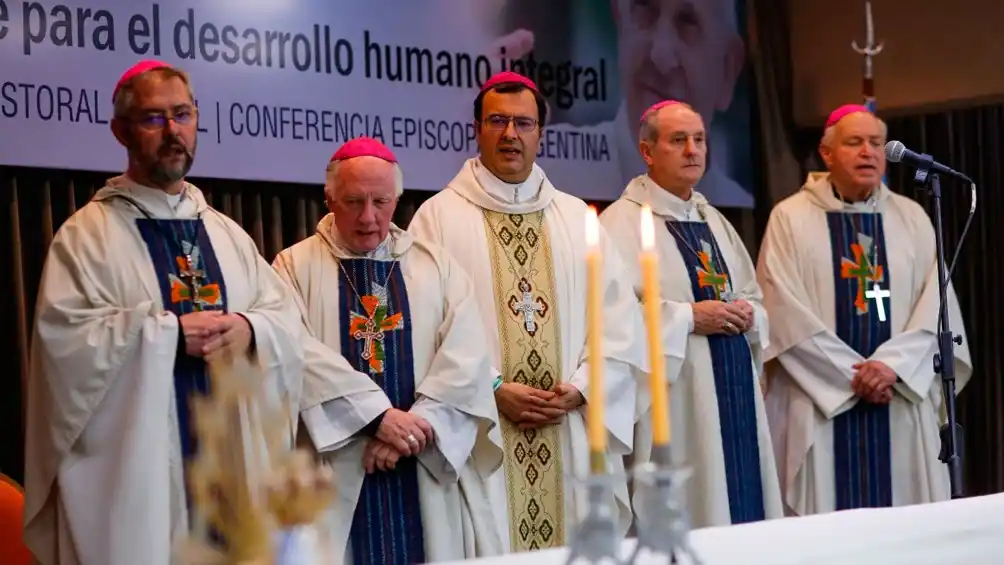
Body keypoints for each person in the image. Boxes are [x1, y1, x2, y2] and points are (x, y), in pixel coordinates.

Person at [22, 60, 304, 565]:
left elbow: (284, 317)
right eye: (154, 118)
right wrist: (168, 337)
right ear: (121, 131)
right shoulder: (87, 237)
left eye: (182, 115)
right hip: (140, 484)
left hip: (232, 476)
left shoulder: (226, 233)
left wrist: (250, 327)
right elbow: (66, 347)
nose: (173, 131)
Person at [408, 71, 647, 551]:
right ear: (477, 129)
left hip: (568, 430)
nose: (510, 134)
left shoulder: (578, 219)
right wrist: (492, 387)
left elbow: (620, 322)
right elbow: (424, 326)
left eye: (523, 123)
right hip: (485, 431)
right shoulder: (438, 218)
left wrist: (581, 389)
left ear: (541, 133)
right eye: (497, 121)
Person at [272, 137, 504, 563]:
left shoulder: (436, 265)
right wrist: (376, 418)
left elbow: (466, 357)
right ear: (329, 199)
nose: (368, 217)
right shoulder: (293, 268)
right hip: (338, 467)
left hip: (423, 462)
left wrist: (414, 430)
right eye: (353, 201)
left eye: (380, 202)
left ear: (397, 199)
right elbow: (292, 351)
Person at [757, 104, 973, 516]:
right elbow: (783, 311)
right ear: (826, 153)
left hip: (898, 396)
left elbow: (937, 306)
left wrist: (892, 366)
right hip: (821, 403)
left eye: (875, 143)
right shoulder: (790, 218)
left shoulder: (912, 217)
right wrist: (856, 376)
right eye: (854, 142)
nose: (868, 152)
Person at [599, 100, 782, 527]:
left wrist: (749, 313)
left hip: (734, 392)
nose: (692, 150)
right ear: (647, 152)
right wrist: (687, 318)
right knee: (697, 511)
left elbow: (752, 295)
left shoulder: (713, 219)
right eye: (678, 140)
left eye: (699, 140)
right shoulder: (620, 224)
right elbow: (609, 320)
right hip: (678, 405)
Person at [529, 0, 750, 207]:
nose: (660, 55)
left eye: (688, 22)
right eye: (645, 8)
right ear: (619, 19)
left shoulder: (730, 222)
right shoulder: (542, 179)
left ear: (727, 69)